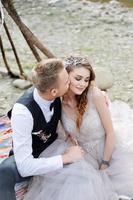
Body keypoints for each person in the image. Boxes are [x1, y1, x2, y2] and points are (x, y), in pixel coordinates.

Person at [23, 57, 120, 200]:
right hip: (83, 152)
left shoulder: (96, 95)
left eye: (86, 80)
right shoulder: (58, 100)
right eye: (78, 78)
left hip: (107, 148)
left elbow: (110, 133)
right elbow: (47, 76)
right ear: (66, 77)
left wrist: (105, 163)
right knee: (74, 183)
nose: (82, 84)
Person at [0, 58, 85, 200]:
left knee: (82, 175)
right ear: (53, 91)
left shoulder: (57, 90)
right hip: (31, 155)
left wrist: (100, 95)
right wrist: (65, 158)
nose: (70, 82)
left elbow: (84, 77)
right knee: (5, 170)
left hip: (55, 146)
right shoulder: (23, 112)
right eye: (66, 82)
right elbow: (25, 166)